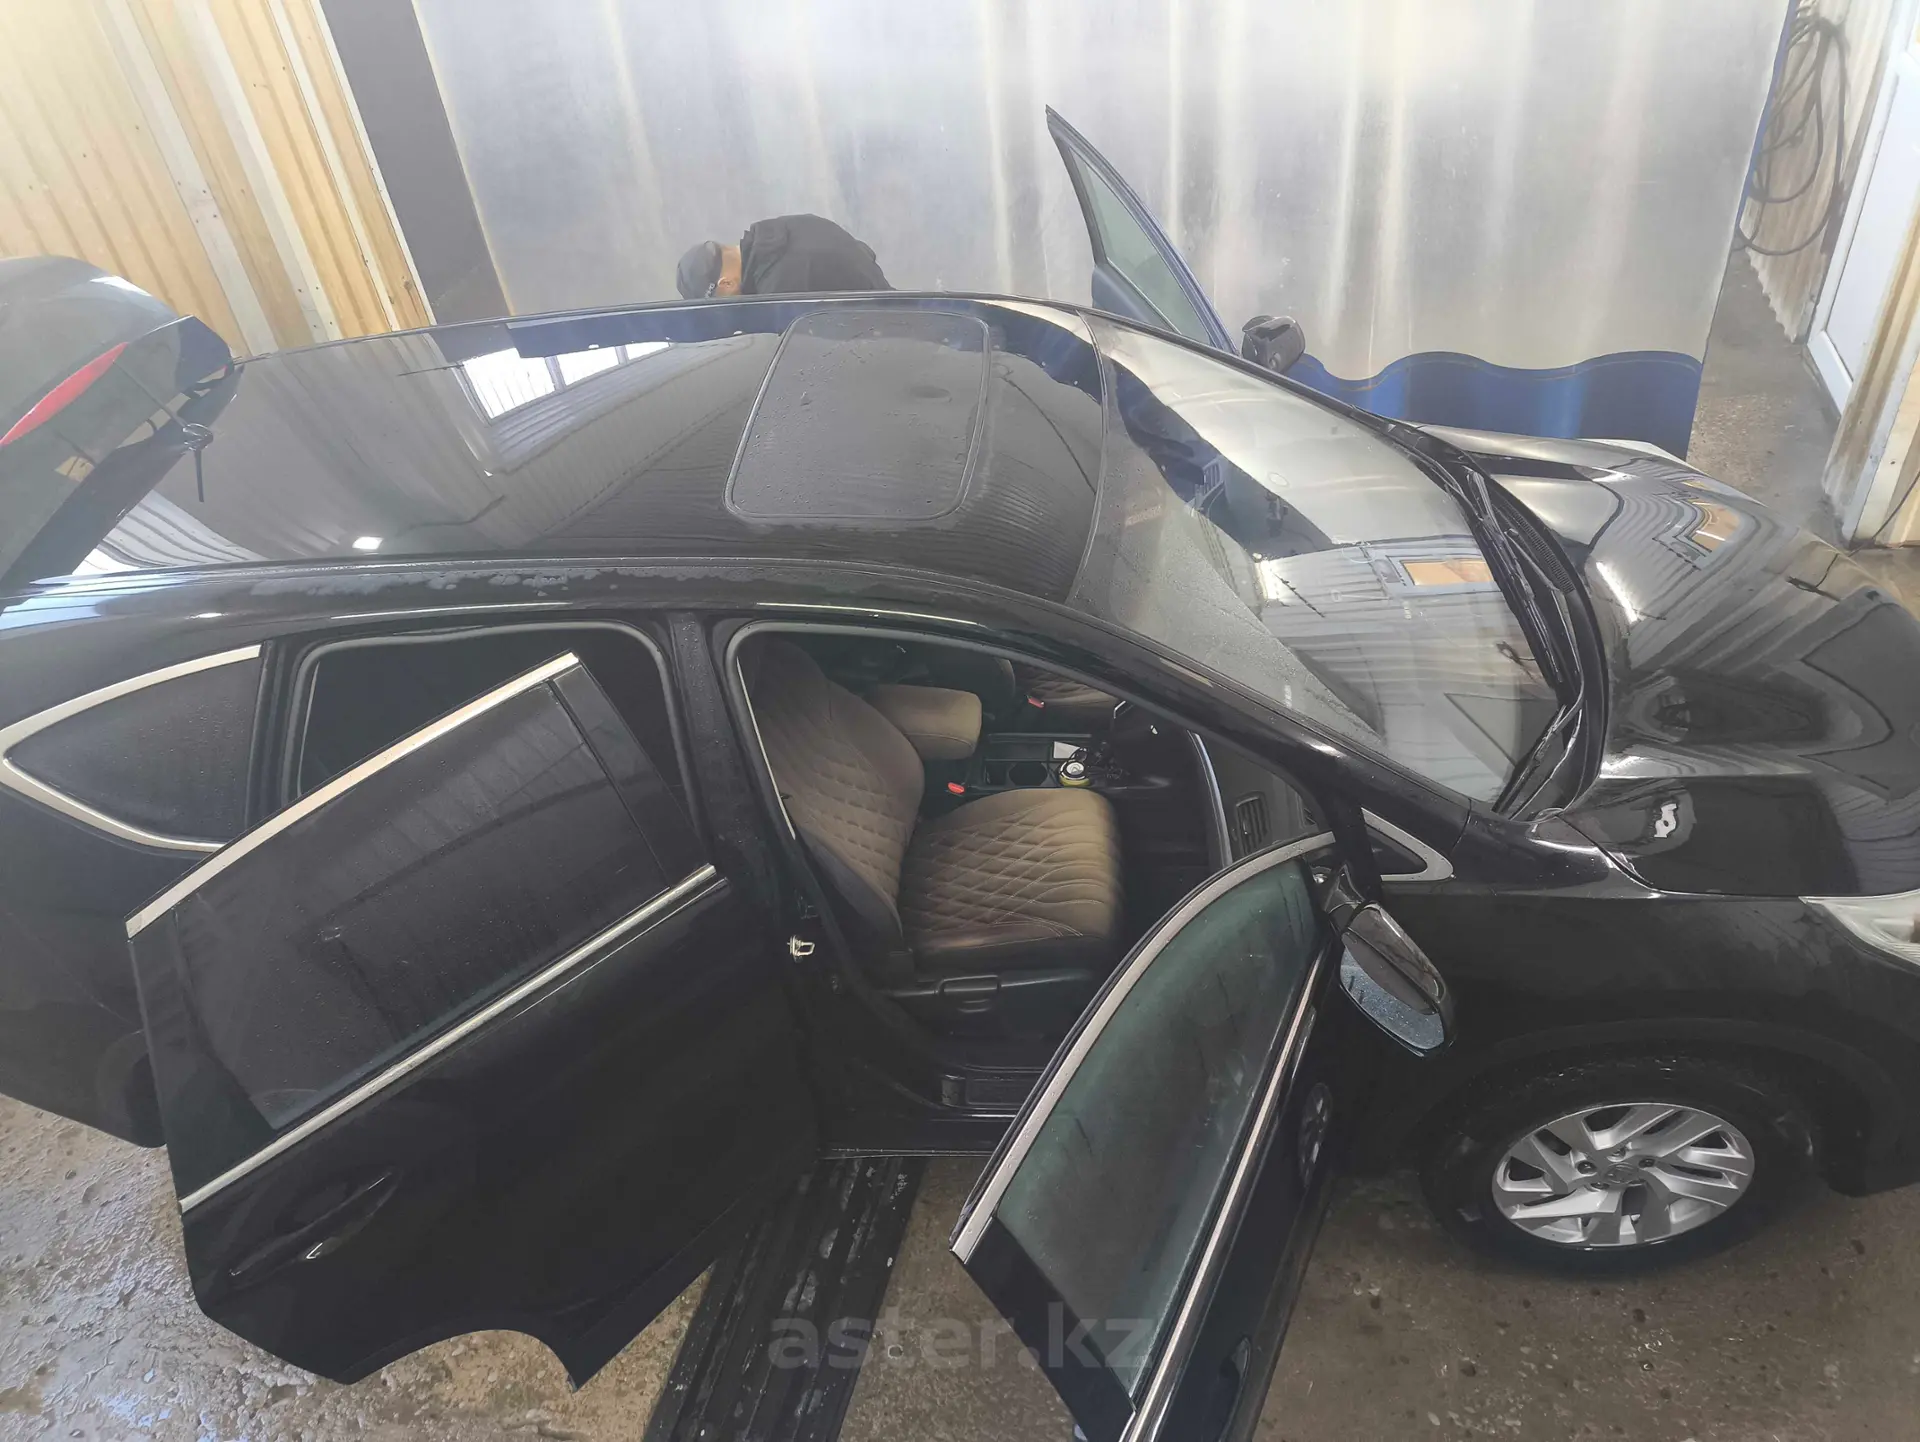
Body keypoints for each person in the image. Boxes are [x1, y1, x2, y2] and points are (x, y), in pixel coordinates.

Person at [675, 214, 889, 299]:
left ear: (727, 283)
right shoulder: (783, 228)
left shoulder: (778, 291)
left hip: (883, 335)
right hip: (892, 305)